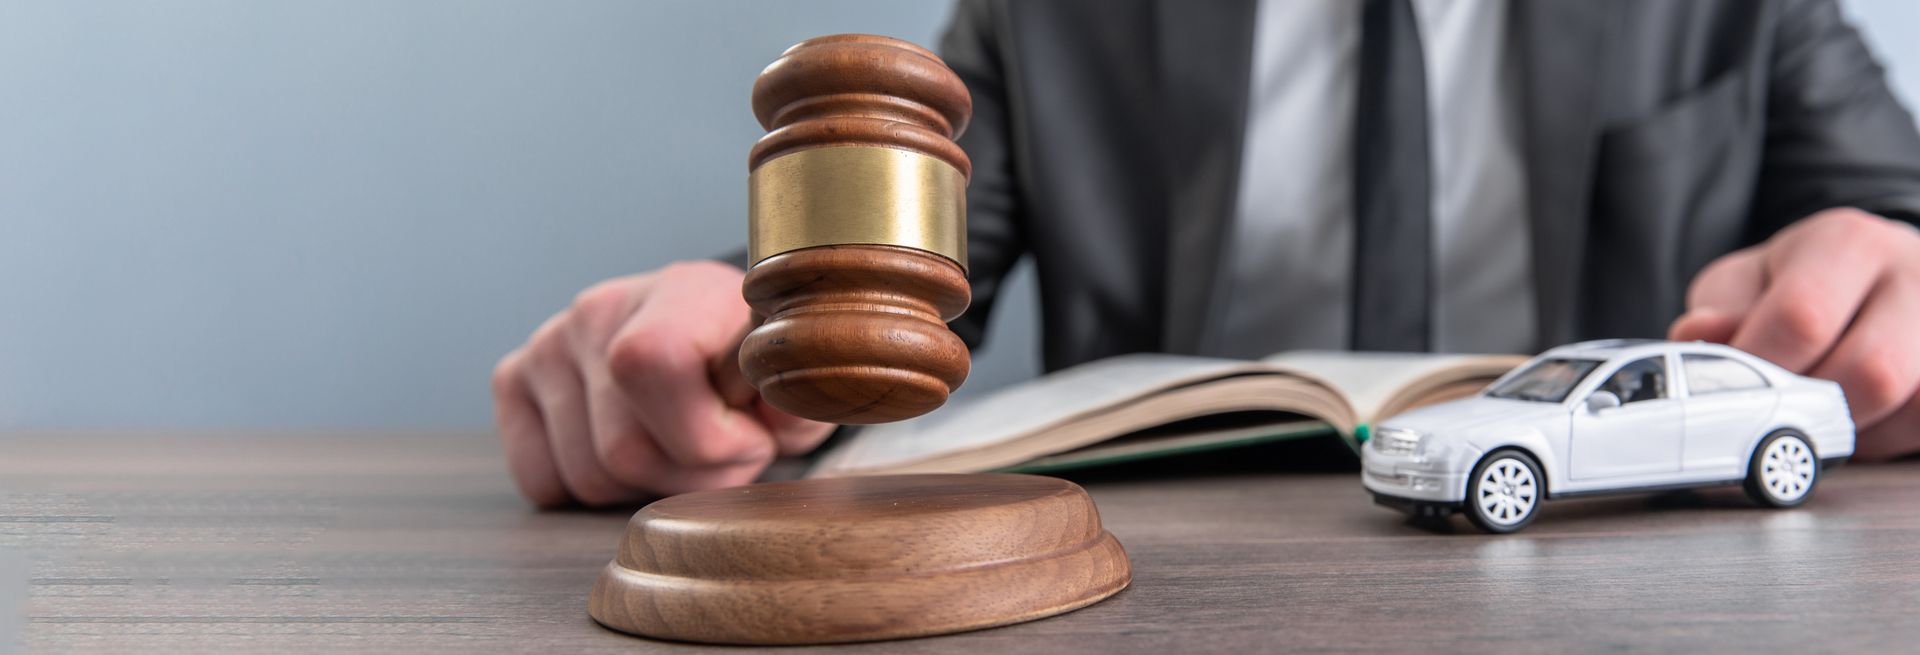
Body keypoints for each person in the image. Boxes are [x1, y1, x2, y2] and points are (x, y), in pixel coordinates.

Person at [492, 0, 1920, 507]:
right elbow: (881, 288)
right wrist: (723, 334)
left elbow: (1892, 220)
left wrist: (1895, 274)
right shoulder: (1046, 15)